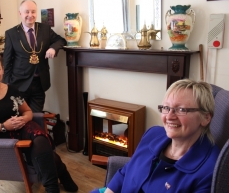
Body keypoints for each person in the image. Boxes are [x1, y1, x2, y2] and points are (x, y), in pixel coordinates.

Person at [0, 52, 78, 193]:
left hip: (21, 127)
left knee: (39, 140)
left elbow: (27, 112)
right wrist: (3, 126)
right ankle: (61, 173)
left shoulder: (12, 89)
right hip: (0, 135)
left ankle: (52, 188)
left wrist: (24, 119)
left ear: (3, 69)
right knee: (41, 148)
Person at [91, 79, 220, 193]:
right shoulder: (152, 134)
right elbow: (126, 171)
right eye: (166, 107)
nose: (169, 116)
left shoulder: (211, 171)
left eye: (181, 109)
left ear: (206, 117)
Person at [3, 0, 66, 112]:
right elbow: (6, 61)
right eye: (27, 12)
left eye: (33, 12)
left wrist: (53, 48)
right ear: (20, 13)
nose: (30, 15)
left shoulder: (45, 29)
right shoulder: (11, 33)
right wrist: (6, 85)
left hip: (40, 83)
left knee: (36, 117)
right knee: (20, 119)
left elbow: (61, 40)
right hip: (19, 84)